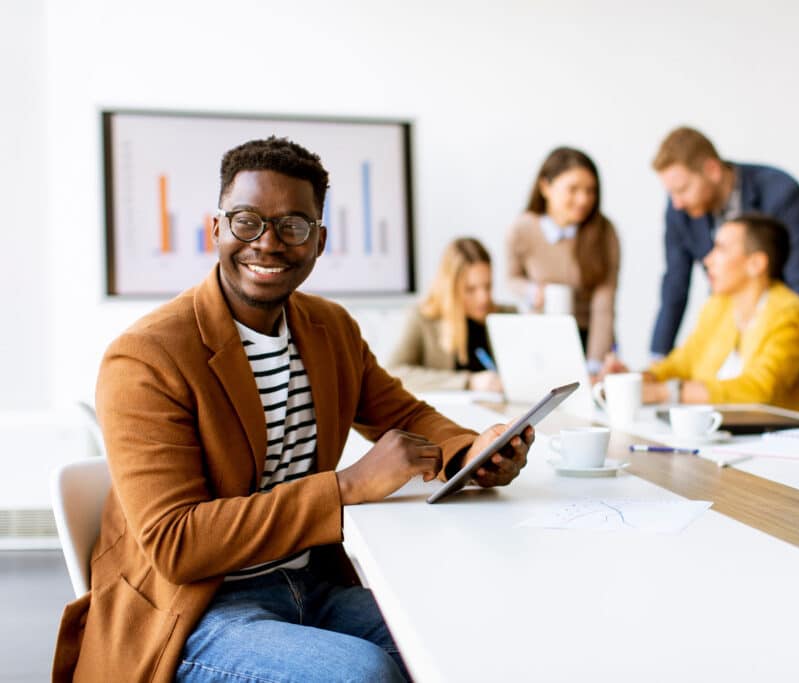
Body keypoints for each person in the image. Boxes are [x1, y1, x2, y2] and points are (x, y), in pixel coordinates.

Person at [52, 137, 534, 683]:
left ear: (320, 240)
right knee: (362, 674)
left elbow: (405, 414)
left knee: (459, 636)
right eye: (246, 221)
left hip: (309, 585)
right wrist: (347, 487)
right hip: (192, 609)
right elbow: (176, 543)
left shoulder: (330, 329)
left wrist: (475, 449)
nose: (268, 243)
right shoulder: (148, 356)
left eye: (293, 226)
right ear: (216, 230)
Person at [604, 213, 799, 417]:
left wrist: (665, 392)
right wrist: (633, 379)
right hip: (723, 435)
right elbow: (682, 363)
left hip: (786, 445)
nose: (707, 260)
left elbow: (760, 391)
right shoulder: (719, 305)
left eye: (720, 249)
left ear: (756, 264)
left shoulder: (791, 315)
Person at [649, 126, 799, 361]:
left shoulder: (780, 193)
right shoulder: (680, 210)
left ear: (712, 170)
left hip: (797, 323)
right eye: (671, 193)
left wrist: (776, 349)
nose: (676, 202)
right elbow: (674, 285)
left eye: (682, 189)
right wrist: (657, 358)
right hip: (732, 325)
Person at [506, 146, 620, 373]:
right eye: (573, 189)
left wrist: (594, 365)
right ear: (545, 187)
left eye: (590, 191)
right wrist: (531, 291)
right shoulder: (522, 229)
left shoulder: (604, 232)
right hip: (541, 337)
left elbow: (604, 304)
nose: (583, 199)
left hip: (591, 339)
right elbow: (512, 278)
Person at [388, 237, 515, 392]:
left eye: (488, 286)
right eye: (470, 289)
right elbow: (394, 373)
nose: (483, 298)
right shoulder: (422, 319)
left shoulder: (508, 316)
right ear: (450, 288)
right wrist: (468, 382)